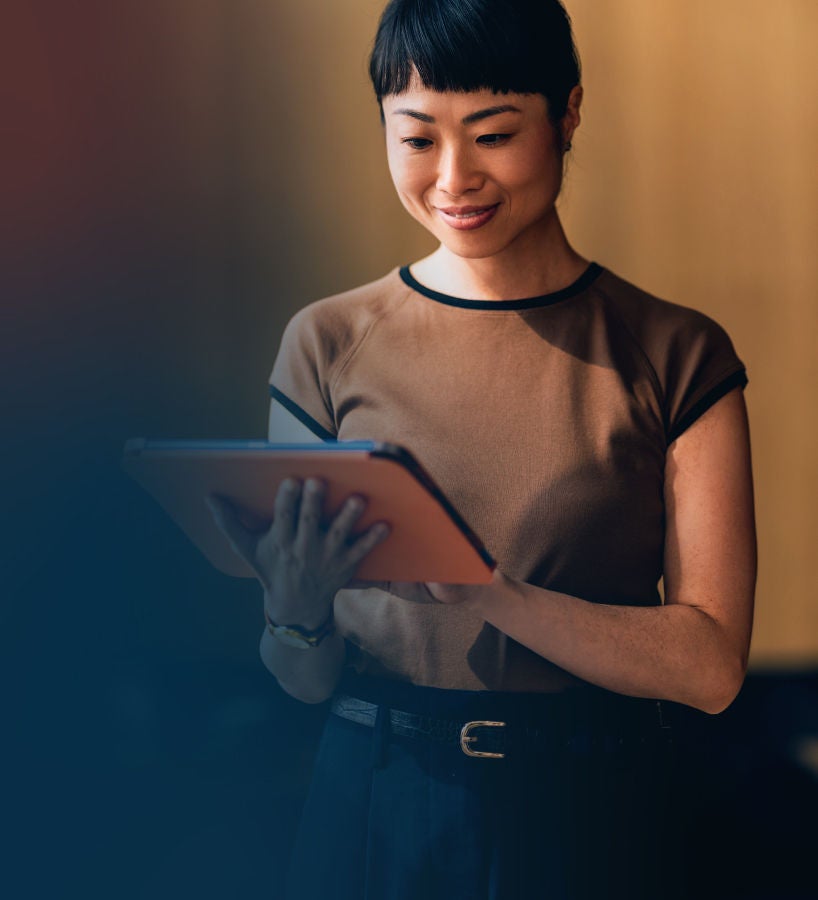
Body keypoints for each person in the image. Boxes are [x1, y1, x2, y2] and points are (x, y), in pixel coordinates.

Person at [202, 1, 755, 897]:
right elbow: (302, 681)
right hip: (375, 798)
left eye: (493, 134)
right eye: (416, 139)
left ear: (568, 113)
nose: (454, 177)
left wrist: (487, 592)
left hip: (596, 808)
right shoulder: (326, 342)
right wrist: (294, 610)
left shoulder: (674, 352)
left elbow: (712, 667)